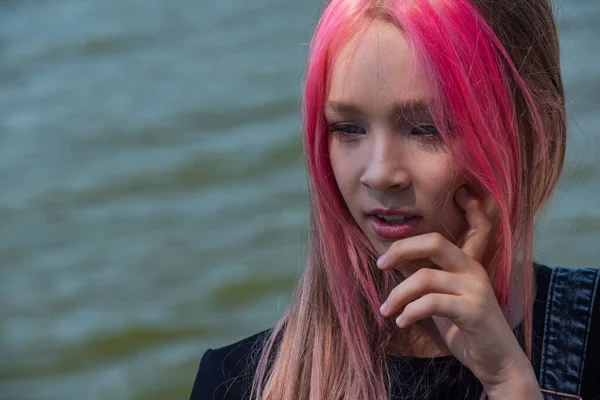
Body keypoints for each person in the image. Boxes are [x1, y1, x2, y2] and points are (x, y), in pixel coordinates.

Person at [191, 0, 600, 399]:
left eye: (427, 128)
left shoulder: (590, 328)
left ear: (527, 133)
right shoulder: (236, 384)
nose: (381, 173)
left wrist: (510, 383)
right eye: (348, 129)